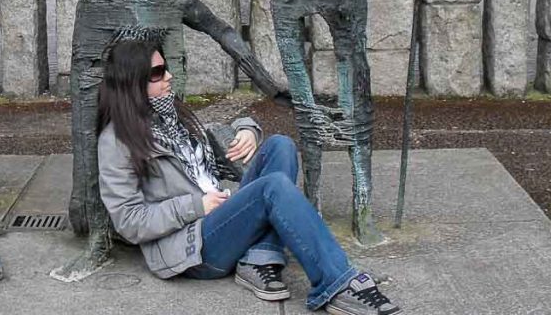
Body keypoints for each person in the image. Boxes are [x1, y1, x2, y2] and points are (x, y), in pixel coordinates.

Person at [97, 38, 402, 315]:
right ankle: (337, 283)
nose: (169, 76)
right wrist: (196, 206)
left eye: (167, 68)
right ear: (131, 82)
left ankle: (258, 257)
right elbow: (129, 221)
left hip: (216, 215)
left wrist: (247, 129)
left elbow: (214, 138)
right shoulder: (116, 142)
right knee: (273, 188)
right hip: (192, 248)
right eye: (158, 72)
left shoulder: (171, 116)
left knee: (280, 145)